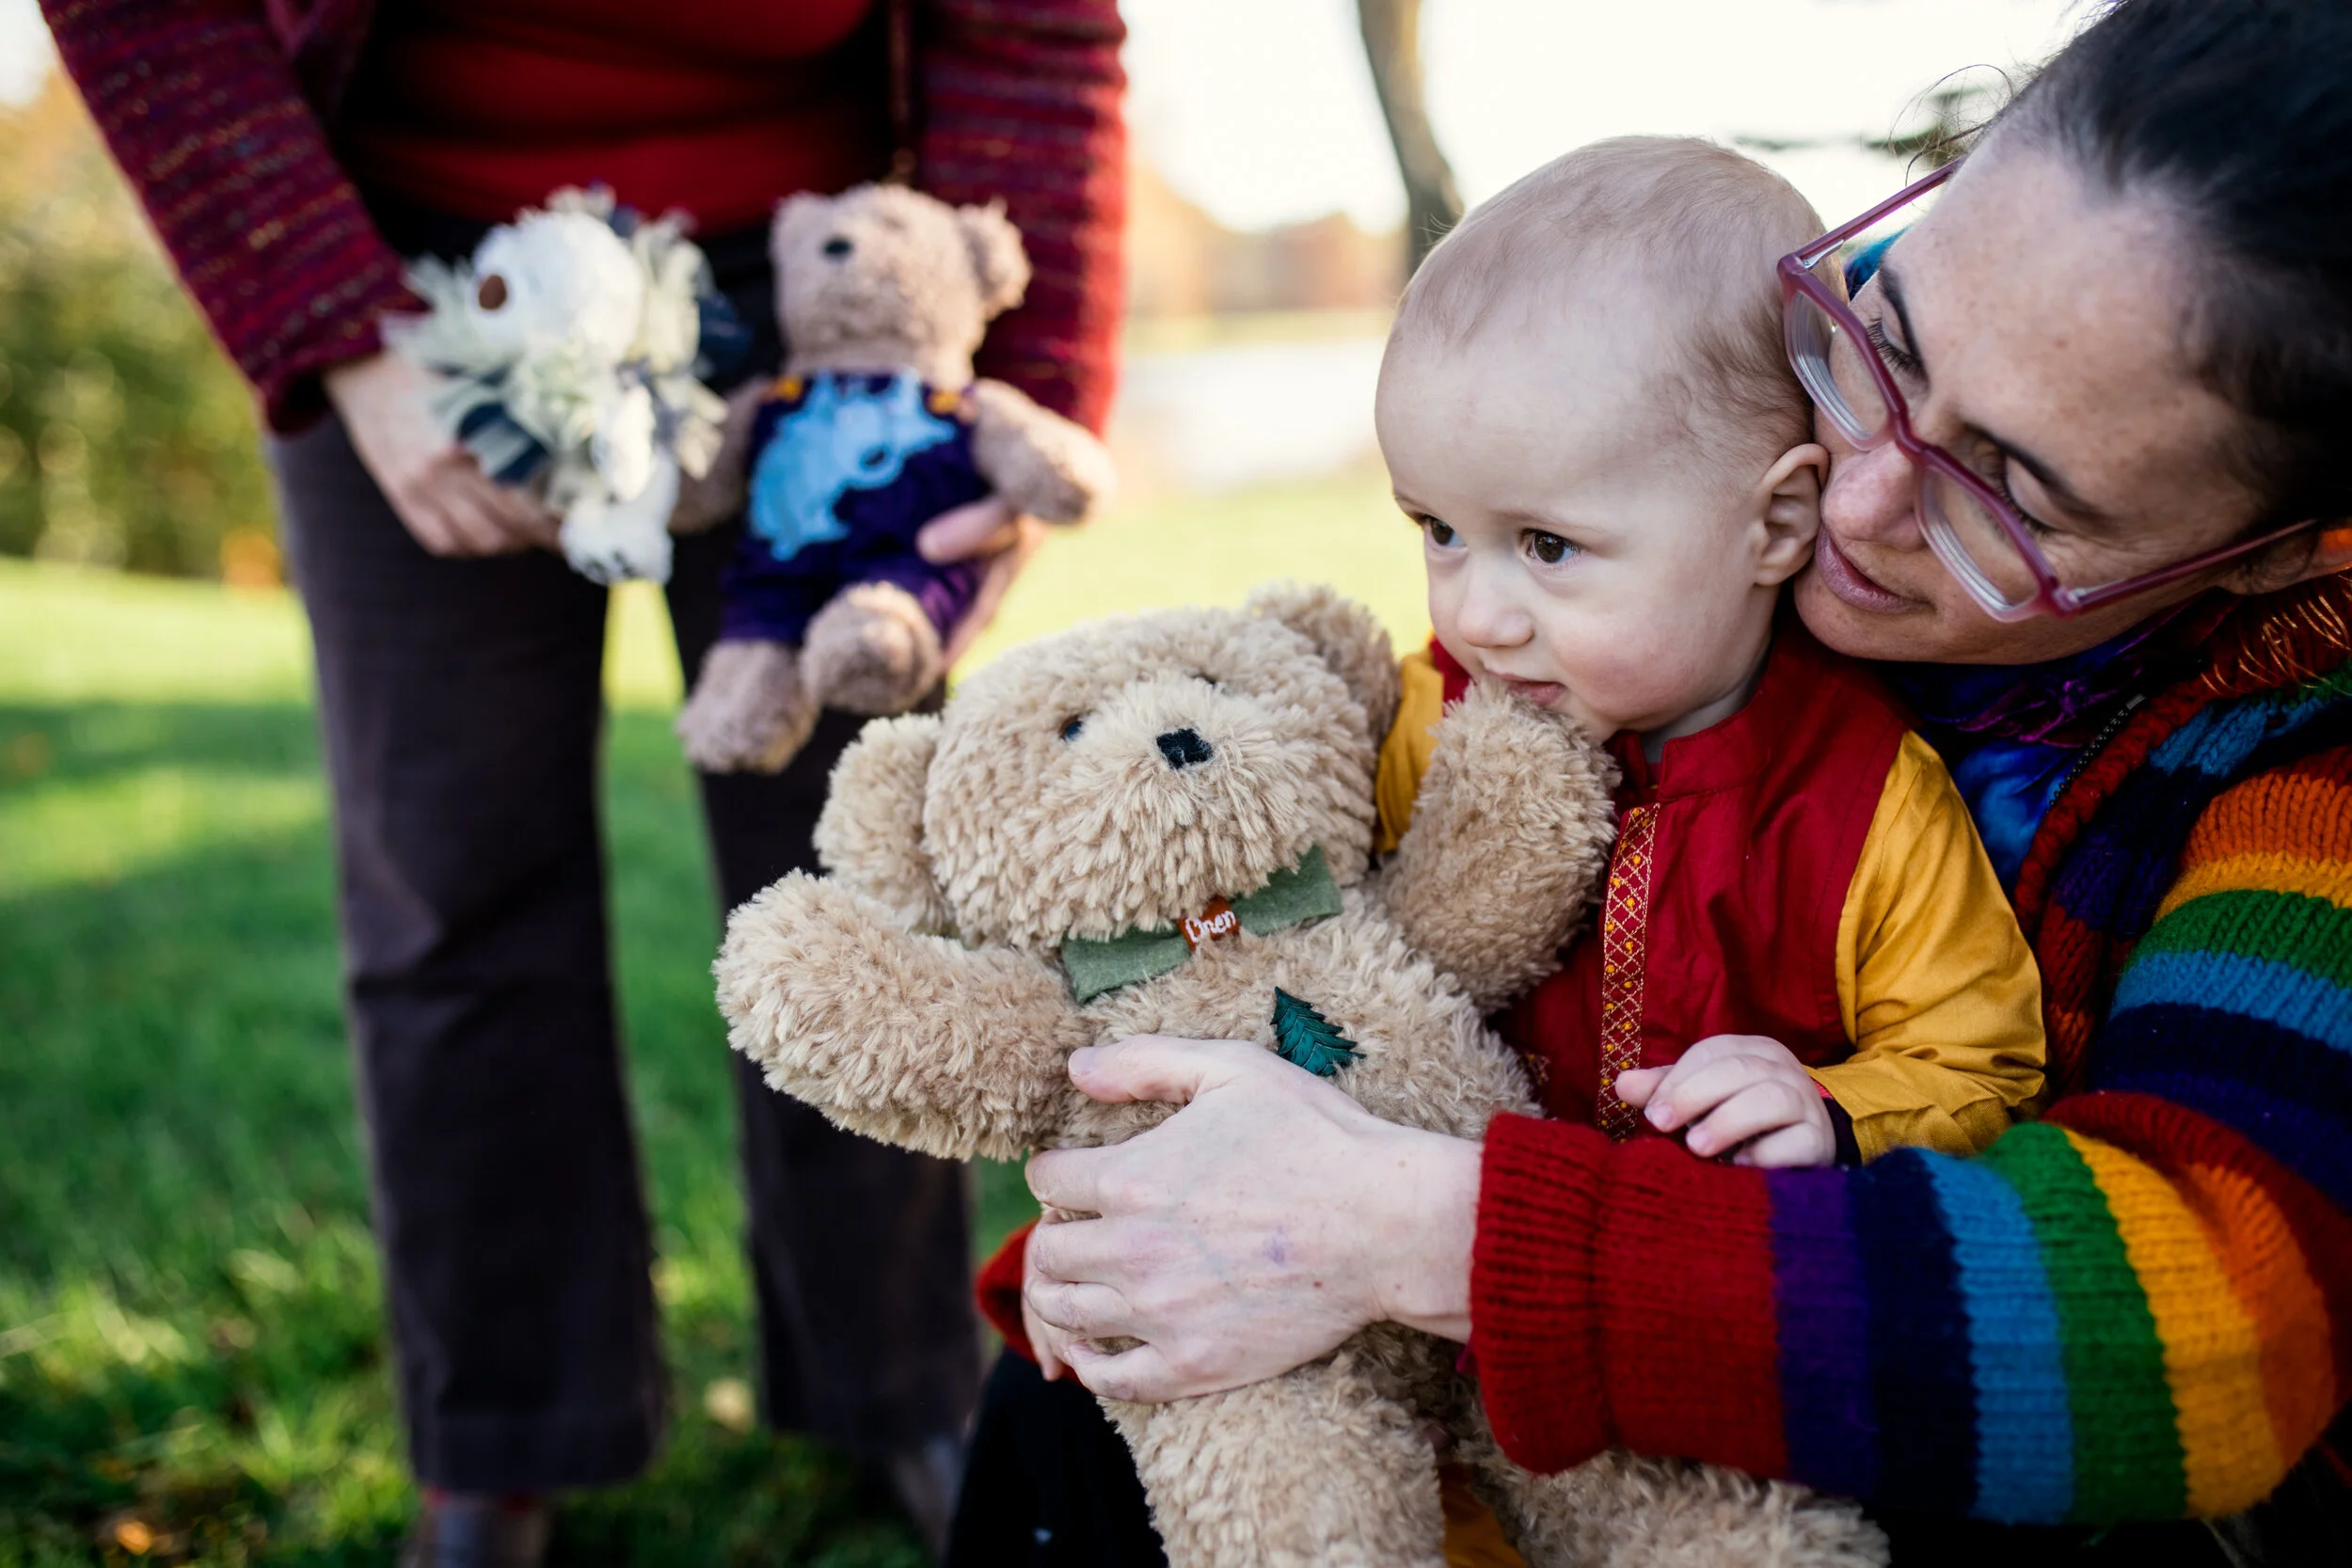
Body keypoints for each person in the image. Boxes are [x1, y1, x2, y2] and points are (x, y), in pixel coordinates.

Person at [1016, 0, 2352, 1561]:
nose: (1852, 497)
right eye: (1884, 338)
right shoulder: (1671, 578)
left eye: (2010, 495)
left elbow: (2209, 1332)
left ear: (2284, 553)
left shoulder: (2309, 783)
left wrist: (1409, 1227)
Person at [38, 1, 1124, 1562]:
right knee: (452, 876)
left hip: (823, 282)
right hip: (409, 264)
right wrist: (336, 330)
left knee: (861, 867)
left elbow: (1033, 29)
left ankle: (900, 1379)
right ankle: (502, 1433)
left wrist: (1013, 402)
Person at [959, 132, 2055, 1568]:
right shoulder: (1423, 725)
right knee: (1071, 1424)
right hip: (1385, 1360)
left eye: (1547, 545)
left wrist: (1840, 1109)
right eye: (1439, 532)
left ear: (1776, 520)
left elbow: (1986, 1057)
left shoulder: (1859, 798)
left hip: (1678, 1393)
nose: (1477, 611)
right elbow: (1275, 951)